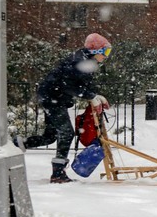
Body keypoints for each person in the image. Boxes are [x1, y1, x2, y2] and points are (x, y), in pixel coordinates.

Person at [14, 33, 111, 183]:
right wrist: (91, 97)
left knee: (50, 136)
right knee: (66, 133)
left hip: (53, 98)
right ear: (95, 51)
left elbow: (85, 85)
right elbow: (69, 85)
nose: (106, 56)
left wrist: (96, 96)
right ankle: (58, 174)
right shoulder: (79, 61)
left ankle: (18, 144)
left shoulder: (86, 62)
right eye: (105, 52)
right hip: (53, 98)